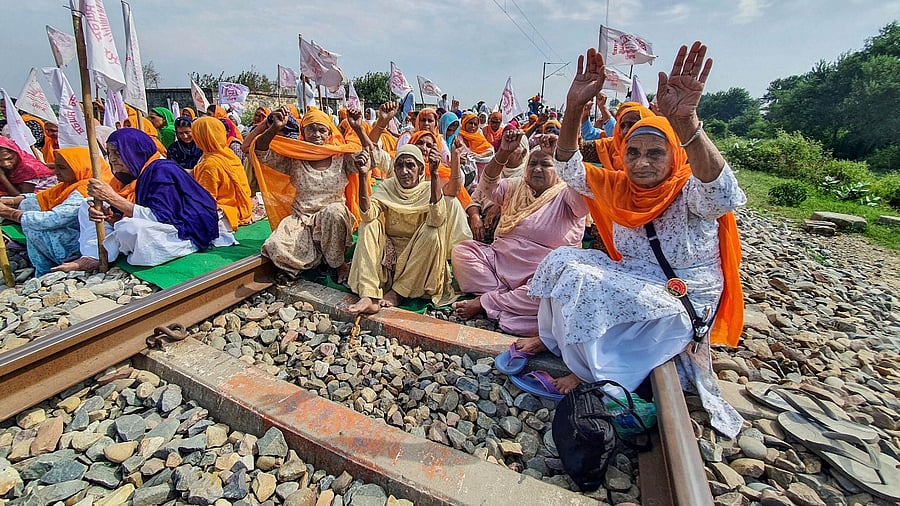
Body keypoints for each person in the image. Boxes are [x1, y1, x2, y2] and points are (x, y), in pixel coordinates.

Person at [517, 44, 746, 437]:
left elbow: (722, 193)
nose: (642, 162)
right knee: (561, 261)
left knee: (584, 282)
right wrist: (573, 108)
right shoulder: (618, 185)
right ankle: (559, 345)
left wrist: (687, 122)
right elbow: (567, 166)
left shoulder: (690, 191)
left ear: (674, 156)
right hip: (635, 277)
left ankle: (594, 374)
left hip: (682, 291)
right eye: (633, 152)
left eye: (655, 153)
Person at [451, 130, 588, 335]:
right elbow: (487, 186)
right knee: (462, 252)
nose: (537, 169)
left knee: (552, 290)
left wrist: (563, 157)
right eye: (532, 164)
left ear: (558, 169)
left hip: (541, 275)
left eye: (546, 164)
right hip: (499, 263)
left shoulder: (566, 194)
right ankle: (508, 302)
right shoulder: (516, 186)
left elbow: (584, 204)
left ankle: (487, 301)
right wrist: (502, 153)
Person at [56, 128, 234, 271]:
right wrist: (111, 214)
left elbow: (161, 216)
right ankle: (93, 255)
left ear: (135, 152)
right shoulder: (129, 175)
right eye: (110, 153)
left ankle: (118, 249)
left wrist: (112, 198)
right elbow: (126, 210)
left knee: (130, 229)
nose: (112, 160)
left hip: (185, 229)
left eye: (118, 153)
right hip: (159, 223)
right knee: (86, 204)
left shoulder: (161, 170)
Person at [250, 106, 377, 281]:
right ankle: (318, 257)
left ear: (329, 134)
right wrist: (274, 128)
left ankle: (338, 264)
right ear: (303, 131)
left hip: (333, 220)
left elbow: (373, 159)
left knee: (334, 211)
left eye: (322, 130)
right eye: (311, 129)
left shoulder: (341, 157)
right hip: (301, 219)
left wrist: (358, 128)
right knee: (274, 246)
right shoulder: (295, 158)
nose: (316, 134)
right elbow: (261, 153)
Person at [346, 144, 471, 314]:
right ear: (395, 169)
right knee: (369, 225)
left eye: (410, 165)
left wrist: (434, 175)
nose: (404, 171)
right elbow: (368, 215)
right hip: (388, 256)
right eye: (399, 166)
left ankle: (399, 293)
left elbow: (437, 219)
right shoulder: (388, 187)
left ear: (420, 170)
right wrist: (362, 176)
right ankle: (370, 295)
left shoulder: (429, 189)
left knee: (432, 232)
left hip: (418, 260)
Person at [0, 147, 103, 276]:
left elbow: (53, 219)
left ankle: (46, 271)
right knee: (30, 212)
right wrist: (10, 202)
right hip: (73, 230)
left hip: (84, 243)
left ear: (80, 167)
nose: (56, 172)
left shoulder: (87, 189)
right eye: (56, 167)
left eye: (62, 168)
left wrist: (8, 212)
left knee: (33, 227)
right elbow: (39, 199)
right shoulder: (69, 184)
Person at [191, 116, 253, 230]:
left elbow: (206, 200)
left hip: (226, 214)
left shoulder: (210, 164)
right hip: (243, 208)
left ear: (202, 137)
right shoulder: (228, 154)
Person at [581, 101, 654, 171]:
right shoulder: (611, 146)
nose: (625, 131)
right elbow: (577, 150)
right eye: (622, 126)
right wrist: (577, 110)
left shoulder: (658, 154)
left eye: (632, 125)